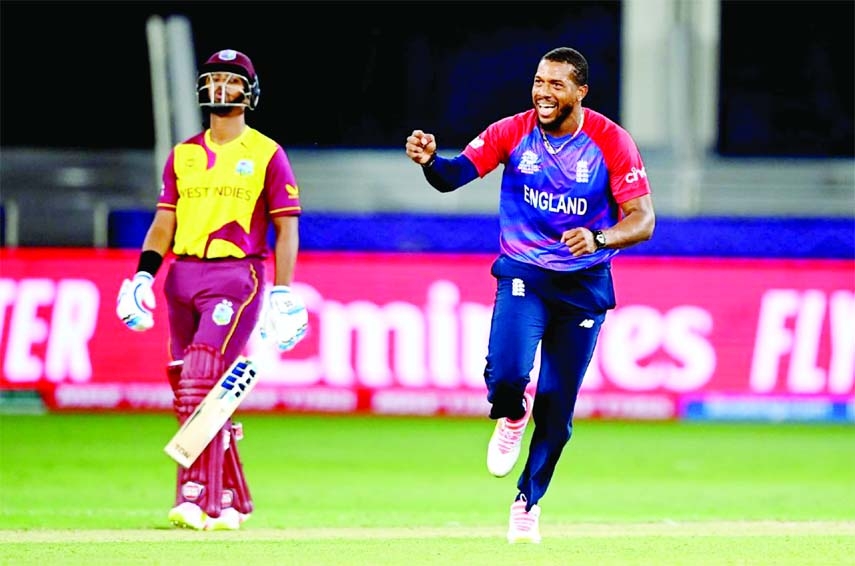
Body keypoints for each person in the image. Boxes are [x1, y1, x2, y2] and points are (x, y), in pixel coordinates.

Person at [405, 46, 654, 543]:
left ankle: (528, 503)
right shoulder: (512, 131)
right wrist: (432, 161)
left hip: (583, 285)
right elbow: (454, 176)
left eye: (557, 85)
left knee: (558, 407)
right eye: (539, 81)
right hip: (525, 272)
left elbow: (643, 220)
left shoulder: (610, 140)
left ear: (581, 92)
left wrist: (600, 238)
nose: (543, 92)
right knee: (508, 376)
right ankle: (512, 414)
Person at [116, 48, 308, 531]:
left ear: (250, 91)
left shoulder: (266, 153)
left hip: (236, 275)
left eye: (233, 79)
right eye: (214, 78)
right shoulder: (183, 154)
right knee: (187, 383)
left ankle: (194, 496)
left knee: (204, 373)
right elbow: (165, 221)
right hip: (181, 276)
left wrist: (283, 292)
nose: (222, 87)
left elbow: (285, 228)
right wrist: (143, 275)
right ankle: (231, 495)